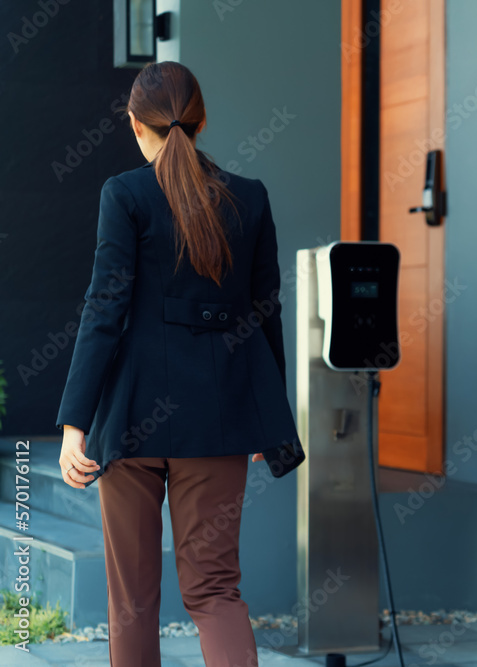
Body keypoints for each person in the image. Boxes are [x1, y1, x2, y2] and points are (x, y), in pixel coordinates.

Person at [54, 61, 301, 667]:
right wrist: (266, 420)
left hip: (130, 421)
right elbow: (266, 314)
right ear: (202, 121)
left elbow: (103, 311)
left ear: (135, 124)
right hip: (216, 424)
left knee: (131, 603)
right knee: (216, 591)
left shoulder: (124, 194)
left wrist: (73, 423)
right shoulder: (250, 197)